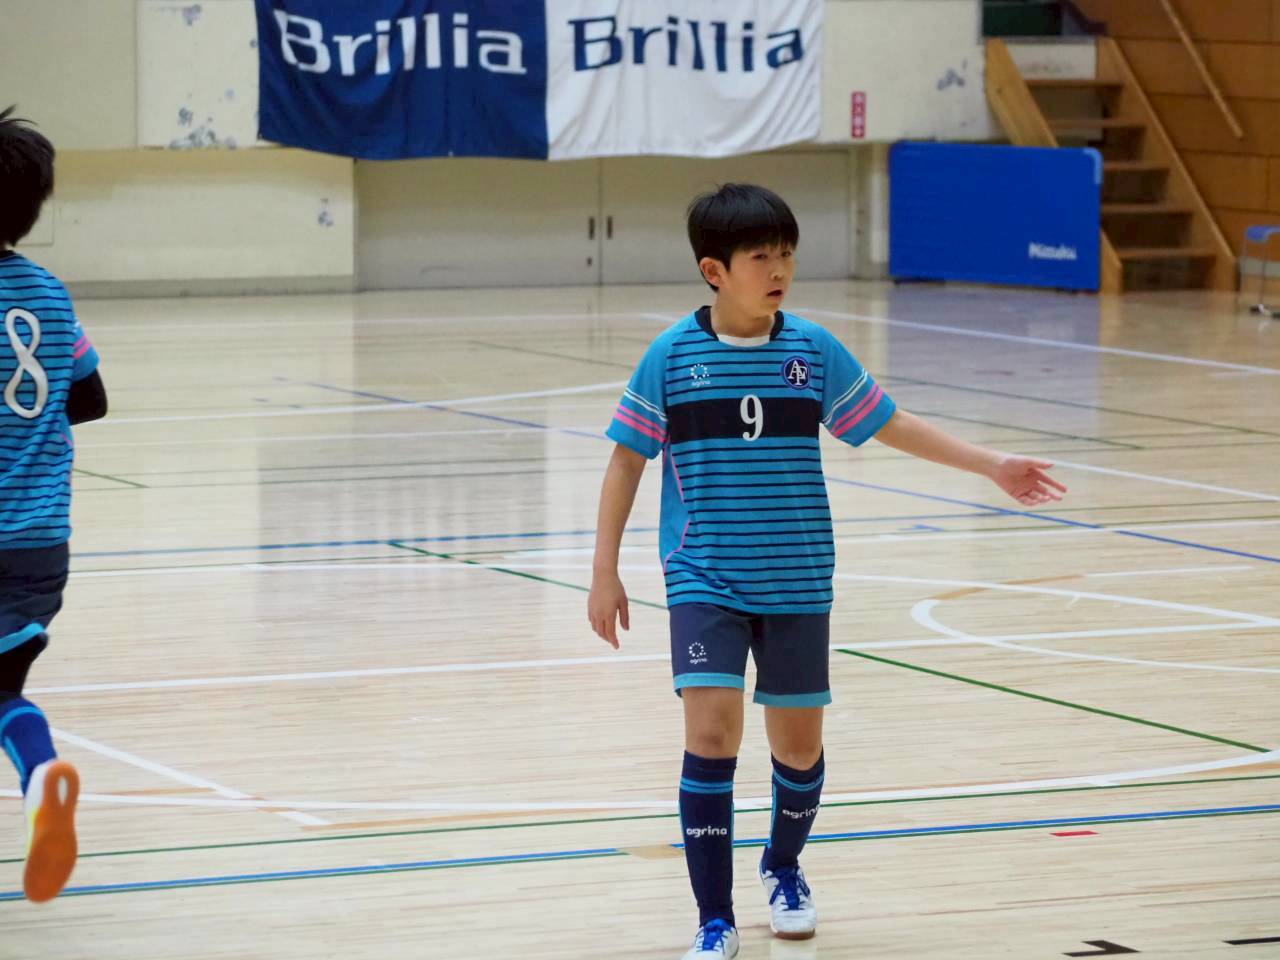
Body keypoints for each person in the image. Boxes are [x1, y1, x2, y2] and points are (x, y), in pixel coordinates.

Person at [587, 183, 1065, 959]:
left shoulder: (811, 350)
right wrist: (603, 571)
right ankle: (714, 918)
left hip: (798, 579)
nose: (780, 269)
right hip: (705, 578)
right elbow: (625, 461)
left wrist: (991, 464)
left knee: (799, 751)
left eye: (787, 254)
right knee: (710, 735)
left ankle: (783, 866)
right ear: (714, 270)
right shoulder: (672, 357)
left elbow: (889, 422)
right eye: (761, 257)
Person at [0, 105, 108, 903]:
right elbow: (90, 397)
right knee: (3, 690)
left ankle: (42, 778)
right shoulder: (49, 293)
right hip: (39, 543)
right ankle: (41, 779)